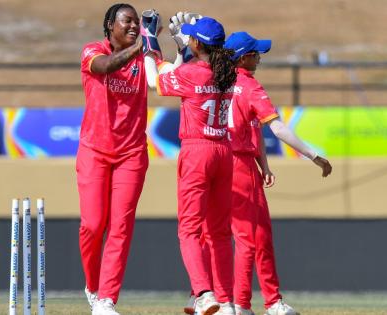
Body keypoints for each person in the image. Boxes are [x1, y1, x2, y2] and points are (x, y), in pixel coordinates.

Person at [223, 31, 332, 315]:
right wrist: (314, 156)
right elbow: (278, 128)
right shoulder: (249, 86)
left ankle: (272, 302)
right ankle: (241, 305)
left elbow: (253, 127)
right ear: (245, 57)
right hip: (238, 166)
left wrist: (264, 166)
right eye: (256, 53)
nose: (259, 58)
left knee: (261, 236)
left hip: (229, 162)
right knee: (247, 238)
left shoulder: (220, 81)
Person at [144, 15, 238, 315]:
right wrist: (184, 48)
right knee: (221, 232)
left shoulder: (192, 73)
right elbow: (190, 69)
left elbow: (154, 81)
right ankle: (226, 302)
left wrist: (149, 40)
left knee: (189, 231)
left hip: (197, 151)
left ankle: (203, 293)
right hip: (224, 150)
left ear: (197, 43)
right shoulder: (227, 71)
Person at [77, 4, 149, 315]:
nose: (134, 26)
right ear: (110, 25)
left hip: (132, 153)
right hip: (95, 150)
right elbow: (105, 66)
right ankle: (93, 287)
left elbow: (166, 79)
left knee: (120, 226)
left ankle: (106, 299)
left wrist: (185, 48)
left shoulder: (145, 55)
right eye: (127, 21)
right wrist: (139, 48)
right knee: (93, 225)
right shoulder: (92, 50)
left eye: (137, 22)